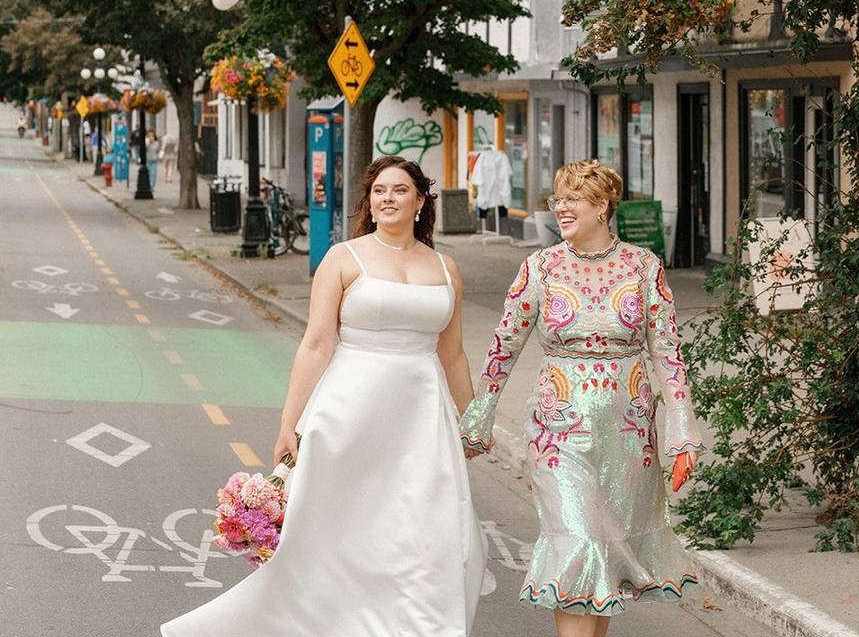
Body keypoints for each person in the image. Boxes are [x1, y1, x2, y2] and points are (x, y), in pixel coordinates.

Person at [161, 155, 487, 637]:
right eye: (379, 191)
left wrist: (473, 421)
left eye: (400, 190)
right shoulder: (343, 258)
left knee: (425, 529)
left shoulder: (446, 268)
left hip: (421, 415)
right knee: (340, 527)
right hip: (349, 410)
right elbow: (316, 344)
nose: (388, 199)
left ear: (420, 202)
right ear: (369, 203)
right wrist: (287, 424)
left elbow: (453, 354)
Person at [459, 159, 707, 637]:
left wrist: (683, 435)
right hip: (559, 432)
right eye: (559, 199)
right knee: (575, 542)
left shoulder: (643, 266)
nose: (562, 208)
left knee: (604, 553)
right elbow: (502, 349)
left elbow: (669, 357)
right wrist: (478, 420)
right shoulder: (541, 267)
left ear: (602, 206)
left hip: (629, 436)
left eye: (573, 198)